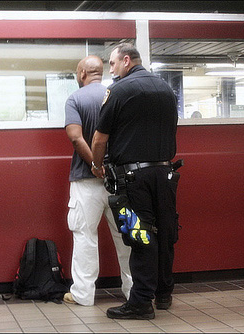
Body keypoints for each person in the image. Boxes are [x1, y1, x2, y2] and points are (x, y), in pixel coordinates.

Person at [91, 43, 179, 320]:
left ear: (127, 60)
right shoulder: (166, 89)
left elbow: (99, 138)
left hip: (132, 179)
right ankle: (164, 293)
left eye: (114, 64)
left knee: (139, 234)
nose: (112, 70)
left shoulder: (119, 90)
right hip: (165, 175)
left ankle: (140, 302)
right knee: (165, 232)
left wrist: (96, 165)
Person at [63, 55, 133, 306]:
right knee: (126, 237)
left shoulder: (75, 99)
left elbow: (75, 137)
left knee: (84, 236)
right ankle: (132, 291)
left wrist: (95, 165)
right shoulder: (118, 95)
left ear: (82, 74)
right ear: (101, 72)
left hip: (85, 181)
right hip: (120, 182)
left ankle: (83, 295)